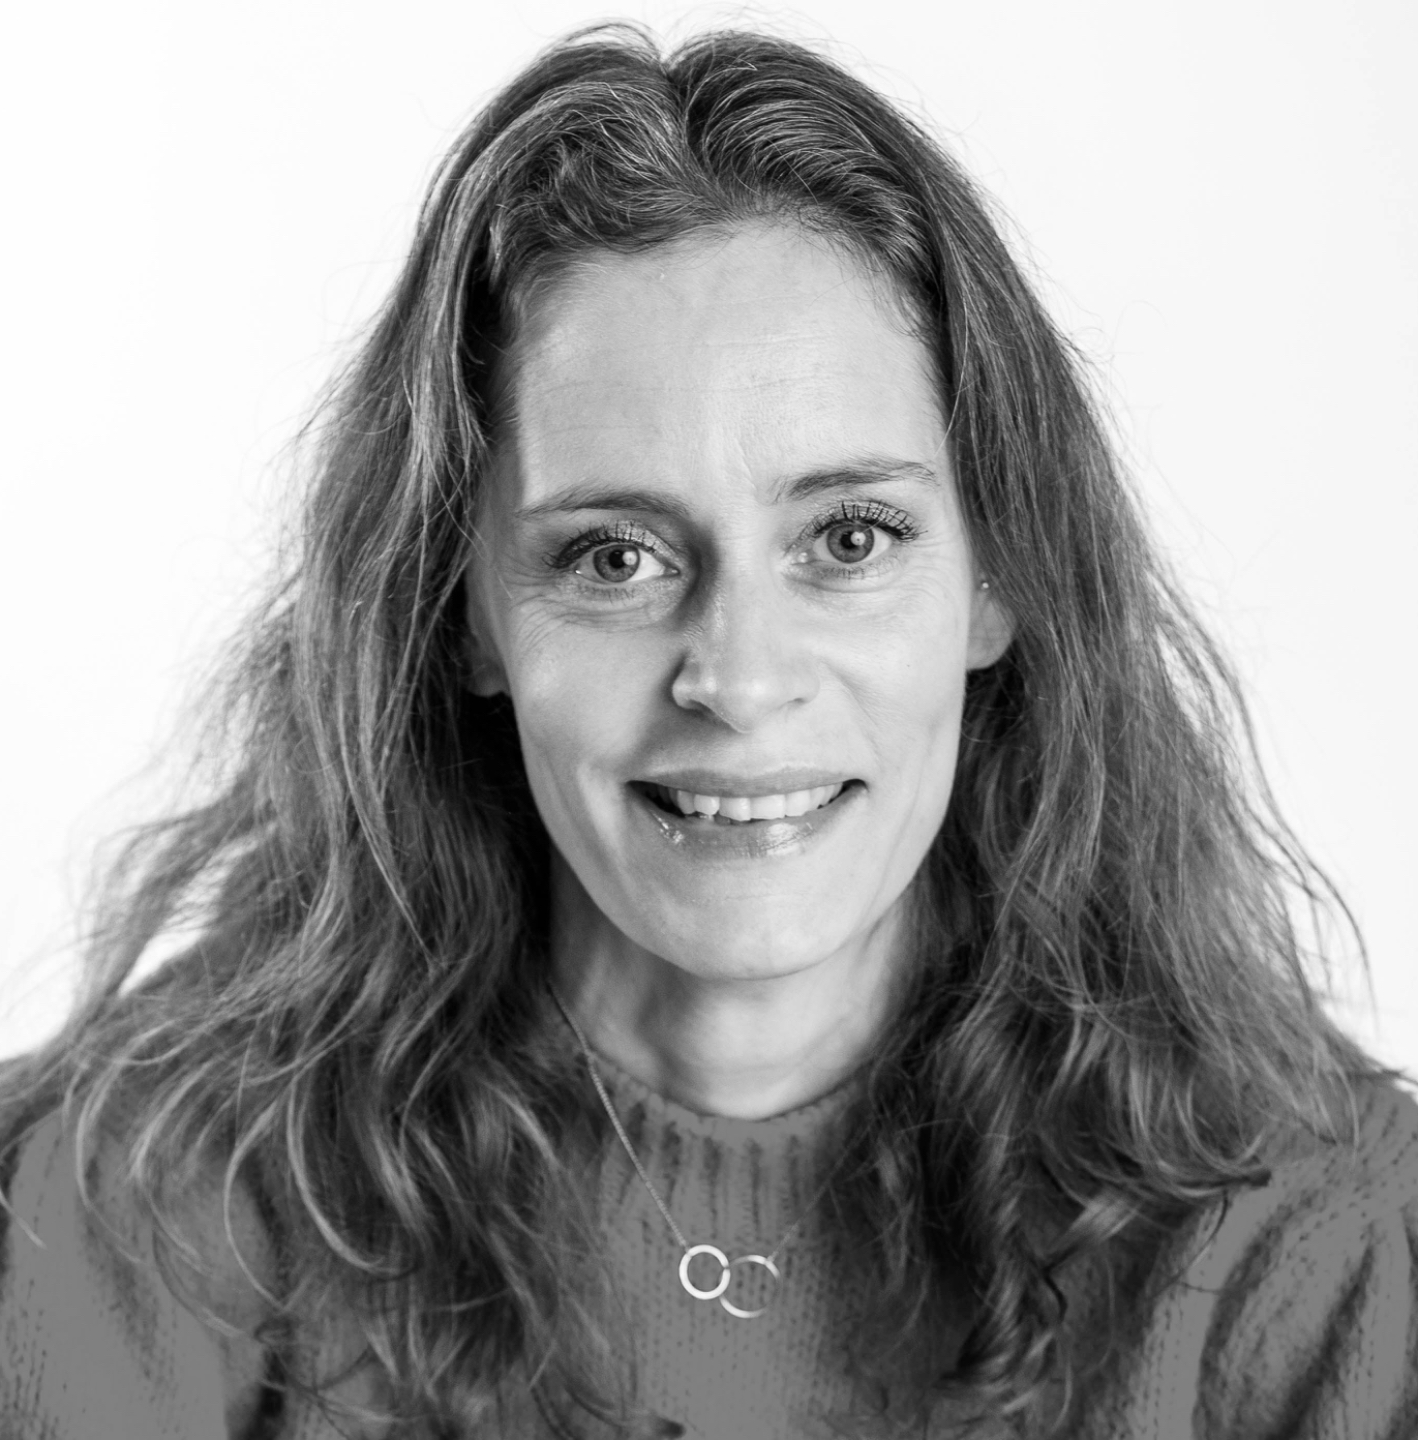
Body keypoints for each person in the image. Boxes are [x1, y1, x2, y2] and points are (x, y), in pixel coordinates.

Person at [1, 23, 1415, 1440]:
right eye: (614, 557)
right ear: (465, 612)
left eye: (849, 538)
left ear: (999, 578)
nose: (738, 680)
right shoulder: (137, 1211)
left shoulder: (1316, 1244)